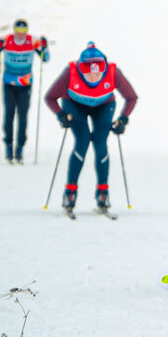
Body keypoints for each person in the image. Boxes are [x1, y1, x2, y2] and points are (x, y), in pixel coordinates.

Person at [44, 42, 139, 214]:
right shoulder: (70, 73)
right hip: (74, 104)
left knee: (100, 143)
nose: (94, 77)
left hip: (104, 106)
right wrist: (61, 115)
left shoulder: (112, 72)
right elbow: (50, 97)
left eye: (98, 73)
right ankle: (70, 192)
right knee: (82, 141)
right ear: (81, 69)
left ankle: (103, 193)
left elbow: (131, 97)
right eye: (89, 74)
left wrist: (123, 119)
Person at [0, 19, 49, 163]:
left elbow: (45, 58)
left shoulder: (32, 41)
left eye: (23, 32)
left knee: (23, 116)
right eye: (18, 32)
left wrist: (45, 47)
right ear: (14, 30)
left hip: (25, 84)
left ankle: (20, 148)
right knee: (9, 114)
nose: (20, 35)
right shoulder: (7, 40)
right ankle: (8, 146)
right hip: (9, 83)